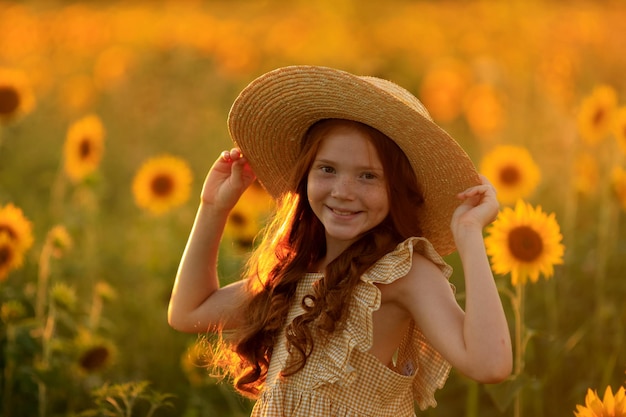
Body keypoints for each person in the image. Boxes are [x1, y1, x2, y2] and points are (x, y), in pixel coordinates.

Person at [168, 65, 512, 416]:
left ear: (398, 190)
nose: (343, 192)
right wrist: (212, 208)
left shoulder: (402, 273)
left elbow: (490, 365)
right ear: (305, 176)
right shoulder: (294, 272)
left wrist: (469, 235)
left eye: (368, 176)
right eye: (327, 169)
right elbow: (188, 312)